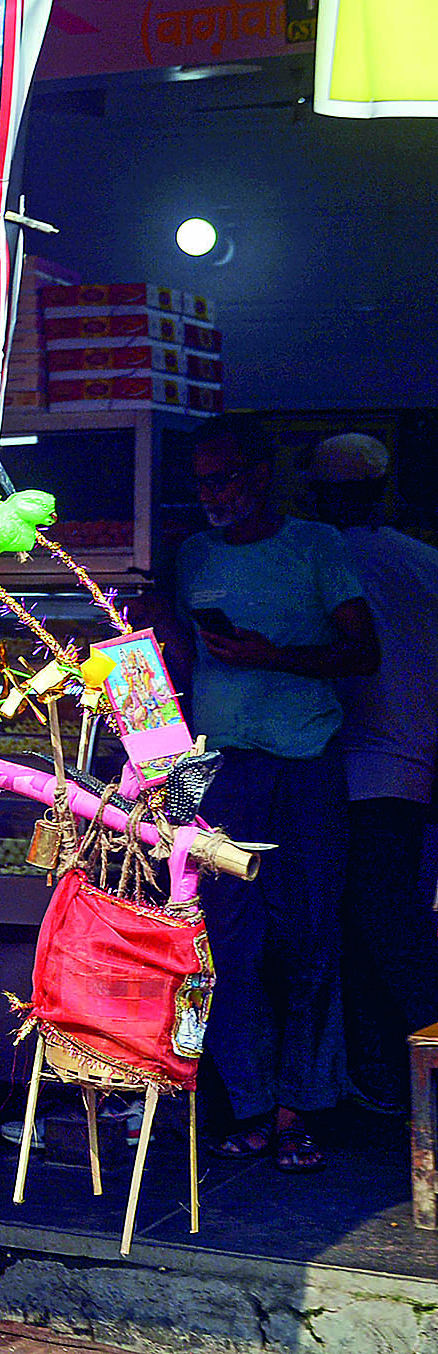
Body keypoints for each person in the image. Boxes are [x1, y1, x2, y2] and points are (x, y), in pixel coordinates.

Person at [175, 415, 379, 1174]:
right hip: (219, 769)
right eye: (200, 483)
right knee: (228, 942)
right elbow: (177, 664)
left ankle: (301, 1111)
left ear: (262, 475)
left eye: (223, 479)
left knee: (309, 935)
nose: (210, 496)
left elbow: (364, 652)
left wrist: (274, 656)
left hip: (307, 766)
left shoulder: (317, 547)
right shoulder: (193, 555)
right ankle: (255, 1107)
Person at [306, 433, 438, 1111]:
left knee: (372, 934)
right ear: (385, 490)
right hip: (411, 777)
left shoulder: (314, 559)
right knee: (392, 927)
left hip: (343, 775)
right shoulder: (426, 563)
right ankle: (390, 1084)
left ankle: (399, 1081)